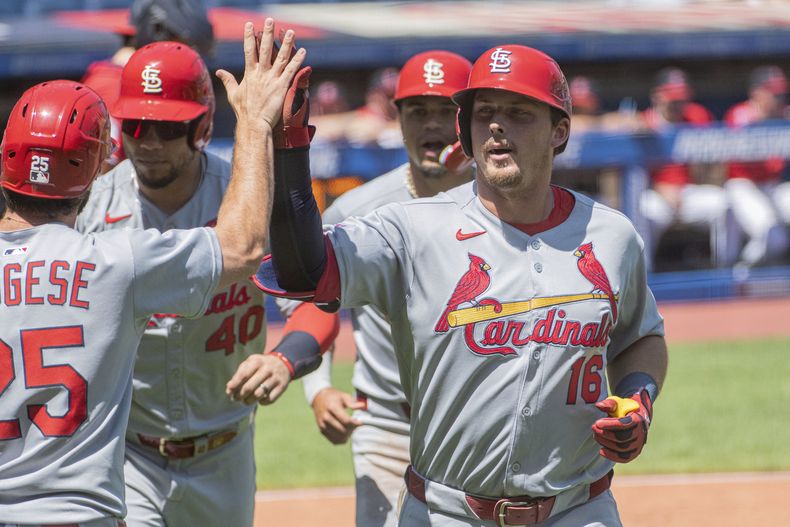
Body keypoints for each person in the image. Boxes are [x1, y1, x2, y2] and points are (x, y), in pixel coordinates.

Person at [257, 44, 668, 526]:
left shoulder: (612, 234)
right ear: (466, 133)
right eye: (484, 113)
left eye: (518, 113)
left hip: (581, 508)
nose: (497, 125)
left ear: (560, 131)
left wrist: (638, 397)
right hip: (446, 510)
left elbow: (640, 339)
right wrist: (288, 149)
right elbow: (302, 272)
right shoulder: (409, 229)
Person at [0, 20, 304, 526]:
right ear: (99, 165)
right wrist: (254, 124)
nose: (150, 142)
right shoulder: (114, 262)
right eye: (138, 127)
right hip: (82, 510)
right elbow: (244, 246)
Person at [75, 34, 332, 527]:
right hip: (127, 455)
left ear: (201, 126)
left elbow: (313, 306)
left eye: (167, 129)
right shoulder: (92, 208)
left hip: (225, 454)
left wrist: (284, 358)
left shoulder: (248, 200)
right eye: (137, 125)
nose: (148, 143)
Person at [297, 50, 473, 527]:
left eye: (445, 111)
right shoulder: (357, 210)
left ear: (472, 117)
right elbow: (316, 302)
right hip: (386, 425)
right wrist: (318, 389)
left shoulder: (503, 205)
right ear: (398, 118)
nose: (431, 124)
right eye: (417, 111)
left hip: (477, 424)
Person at [81, 0, 215, 173]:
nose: (188, 66)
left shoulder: (120, 81)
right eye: (182, 48)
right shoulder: (109, 87)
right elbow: (100, 175)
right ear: (157, 32)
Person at [638, 67, 729, 268]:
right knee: (644, 213)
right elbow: (633, 174)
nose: (678, 104)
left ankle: (724, 271)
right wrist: (659, 188)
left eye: (682, 99)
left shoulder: (697, 116)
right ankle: (643, 276)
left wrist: (705, 179)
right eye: (673, 99)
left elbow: (717, 156)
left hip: (689, 191)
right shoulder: (644, 122)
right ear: (657, 96)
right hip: (655, 194)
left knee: (723, 205)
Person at [724, 65, 790, 267]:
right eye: (773, 94)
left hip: (773, 185)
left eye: (781, 94)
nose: (778, 99)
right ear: (756, 93)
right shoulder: (740, 113)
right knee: (770, 233)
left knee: (778, 240)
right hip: (742, 184)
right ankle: (739, 273)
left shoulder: (784, 115)